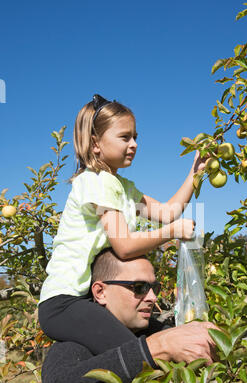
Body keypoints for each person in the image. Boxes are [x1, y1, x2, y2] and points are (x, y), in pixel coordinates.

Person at [38, 93, 208, 354]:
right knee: (137, 354)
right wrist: (172, 232)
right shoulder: (96, 181)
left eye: (135, 137)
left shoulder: (123, 188)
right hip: (64, 302)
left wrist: (195, 173)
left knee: (154, 337)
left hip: (88, 299)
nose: (134, 144)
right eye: (124, 137)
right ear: (95, 143)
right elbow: (125, 247)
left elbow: (167, 212)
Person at [41, 247, 218, 383]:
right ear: (100, 292)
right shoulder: (74, 345)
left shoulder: (157, 330)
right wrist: (156, 348)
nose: (152, 298)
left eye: (154, 288)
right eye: (139, 287)